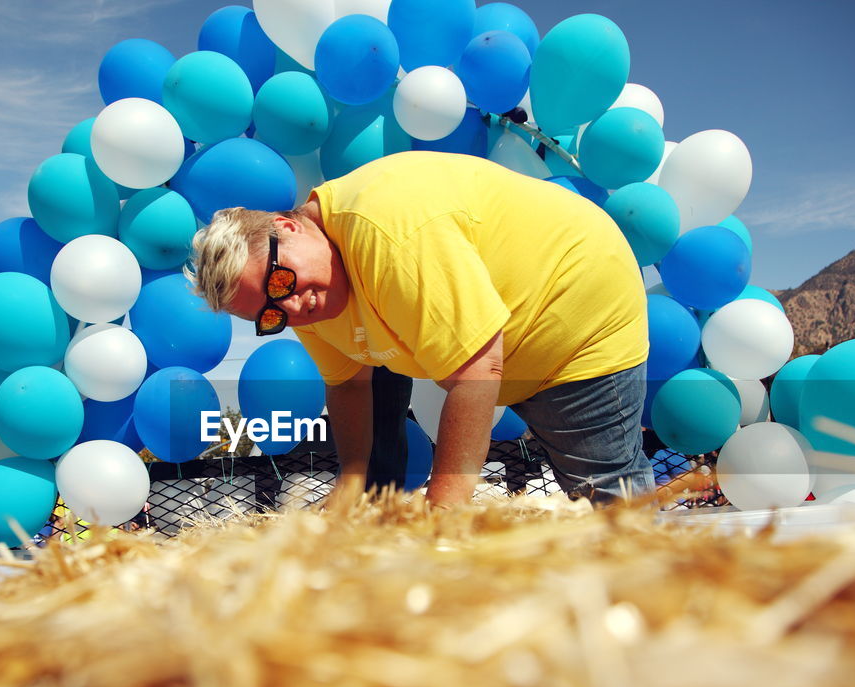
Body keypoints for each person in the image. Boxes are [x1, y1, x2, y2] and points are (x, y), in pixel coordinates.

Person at [188, 151, 650, 508]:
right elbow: (348, 385)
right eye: (270, 316)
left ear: (288, 226)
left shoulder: (387, 234)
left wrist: (444, 514)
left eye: (281, 282)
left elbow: (476, 366)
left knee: (606, 500)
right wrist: (352, 484)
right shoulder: (303, 296)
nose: (292, 306)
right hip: (513, 346)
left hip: (577, 310)